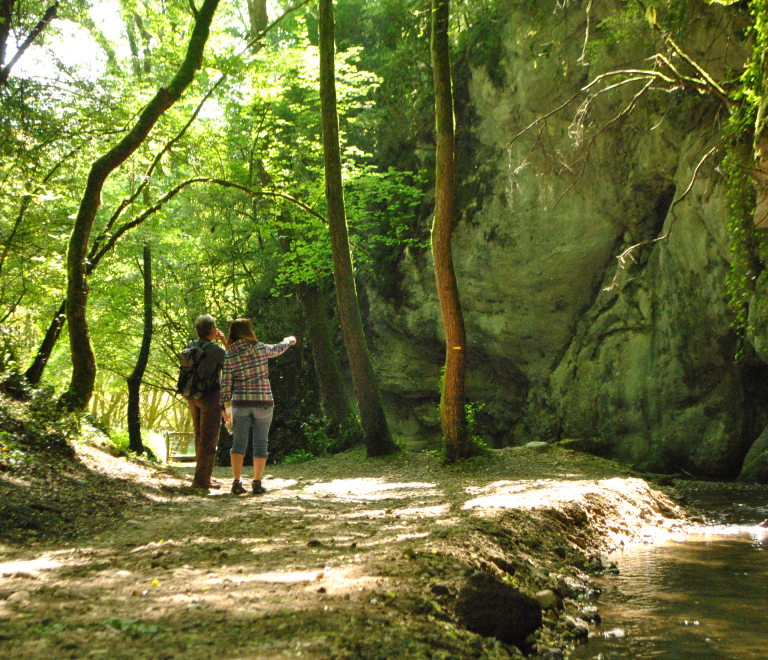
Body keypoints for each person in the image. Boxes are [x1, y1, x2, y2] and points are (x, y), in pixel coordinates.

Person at [220, 318, 295, 495]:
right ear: (249, 331)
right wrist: (290, 340)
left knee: (238, 444)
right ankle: (257, 483)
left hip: (241, 404)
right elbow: (278, 348)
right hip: (263, 402)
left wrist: (224, 409)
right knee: (261, 444)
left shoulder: (230, 355)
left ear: (233, 334)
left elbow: (225, 384)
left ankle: (237, 483)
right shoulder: (260, 348)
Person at [185, 314, 227, 490]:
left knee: (199, 436)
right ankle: (201, 481)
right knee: (209, 439)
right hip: (209, 396)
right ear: (212, 330)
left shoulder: (190, 345)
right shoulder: (216, 349)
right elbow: (235, 363)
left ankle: (203, 476)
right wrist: (224, 341)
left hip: (191, 395)